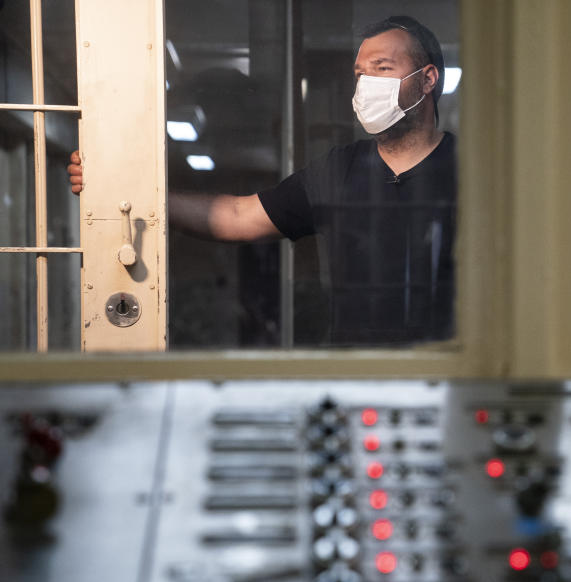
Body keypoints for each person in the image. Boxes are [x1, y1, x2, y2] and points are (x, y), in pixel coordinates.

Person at [68, 16, 456, 345]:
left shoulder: (469, 174)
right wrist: (129, 190)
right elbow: (238, 215)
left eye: (383, 69)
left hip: (454, 371)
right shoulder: (339, 170)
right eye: (360, 73)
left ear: (427, 80)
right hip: (352, 372)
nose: (367, 84)